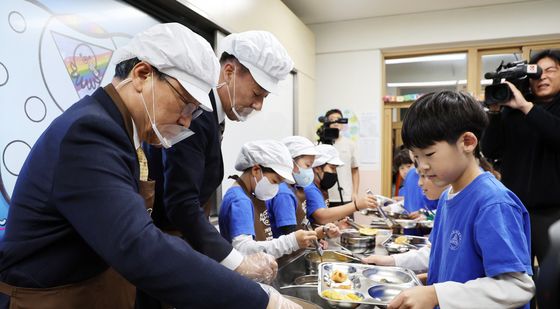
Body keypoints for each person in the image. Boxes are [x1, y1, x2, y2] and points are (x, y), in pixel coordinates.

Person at [0, 23, 298, 309]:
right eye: (185, 104)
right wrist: (262, 300)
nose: (185, 121)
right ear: (142, 74)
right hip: (47, 296)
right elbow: (138, 244)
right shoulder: (91, 133)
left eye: (194, 112)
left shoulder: (119, 130)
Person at [142, 30, 293, 283]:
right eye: (257, 94)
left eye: (264, 98)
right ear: (229, 71)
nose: (258, 106)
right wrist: (236, 261)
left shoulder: (215, 118)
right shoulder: (197, 114)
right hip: (165, 244)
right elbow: (181, 203)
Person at [363, 91, 534, 308]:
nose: (422, 166)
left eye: (429, 154)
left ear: (468, 142)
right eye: (416, 157)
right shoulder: (448, 196)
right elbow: (438, 252)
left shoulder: (493, 203)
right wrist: (393, 262)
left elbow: (518, 287)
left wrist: (437, 294)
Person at [481, 49, 560, 266]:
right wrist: (495, 113)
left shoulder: (525, 107)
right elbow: (490, 150)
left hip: (554, 214)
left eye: (550, 70)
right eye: (536, 73)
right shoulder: (513, 110)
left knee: (553, 283)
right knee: (515, 276)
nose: (542, 76)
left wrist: (526, 107)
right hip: (515, 211)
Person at [218, 140, 317, 259]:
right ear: (255, 170)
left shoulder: (250, 195)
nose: (276, 188)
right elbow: (243, 249)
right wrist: (291, 242)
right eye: (275, 181)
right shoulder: (239, 200)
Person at [266, 136, 340, 239]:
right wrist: (316, 235)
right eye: (308, 165)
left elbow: (301, 228)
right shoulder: (284, 193)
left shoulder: (295, 187)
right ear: (290, 162)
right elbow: (291, 236)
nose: (311, 171)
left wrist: (315, 240)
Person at [305, 144, 376, 225]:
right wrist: (356, 205)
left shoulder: (320, 189)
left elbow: (317, 224)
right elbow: (322, 217)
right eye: (332, 168)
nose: (335, 173)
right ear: (317, 168)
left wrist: (337, 225)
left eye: (336, 169)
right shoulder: (310, 188)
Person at [324, 109, 360, 206]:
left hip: (346, 196)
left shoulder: (350, 144)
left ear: (343, 123)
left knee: (347, 221)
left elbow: (355, 170)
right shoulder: (321, 145)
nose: (336, 122)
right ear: (327, 123)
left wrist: (355, 193)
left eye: (338, 119)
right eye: (332, 119)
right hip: (326, 196)